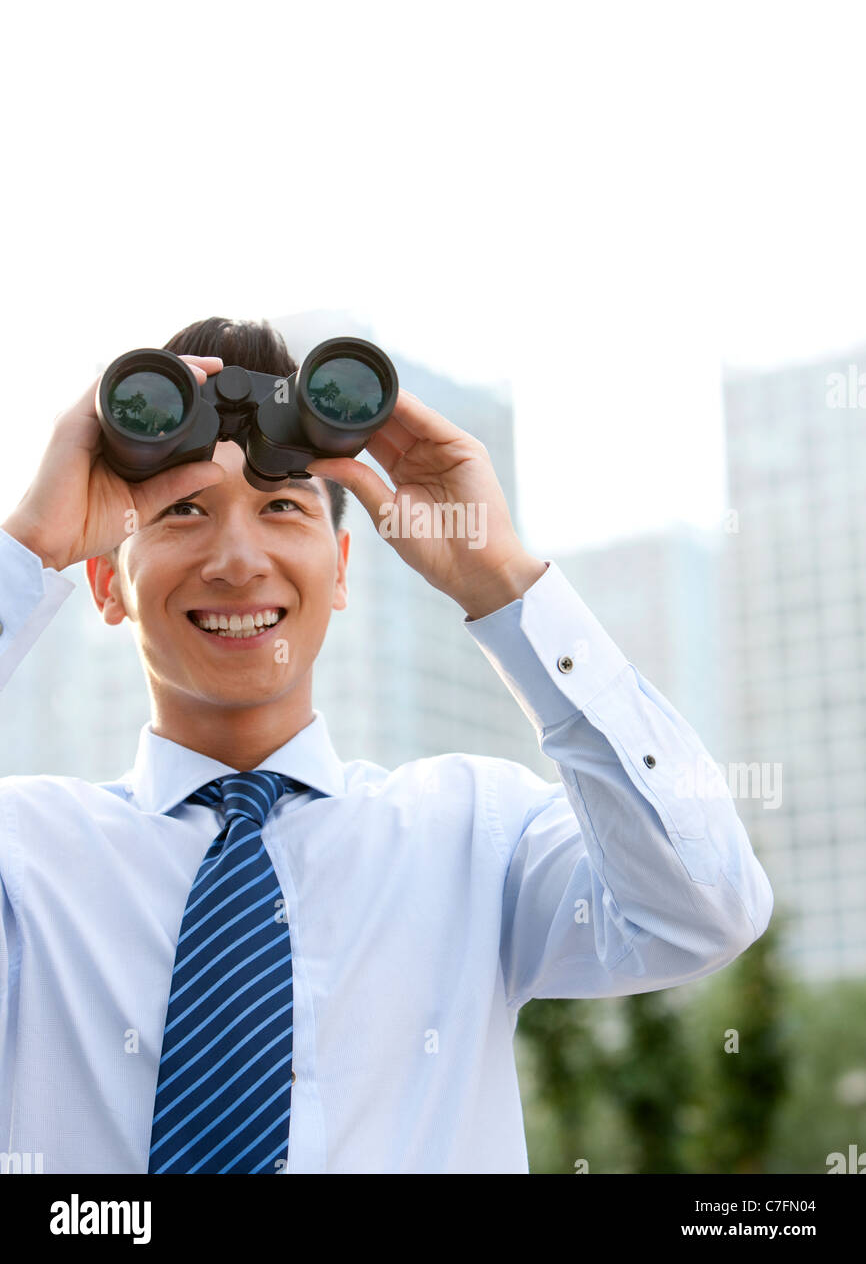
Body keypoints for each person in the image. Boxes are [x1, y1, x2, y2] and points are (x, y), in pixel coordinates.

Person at [0, 316, 773, 1175]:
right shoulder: (24, 859)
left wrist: (502, 581)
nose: (237, 558)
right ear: (106, 581)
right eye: (182, 510)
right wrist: (28, 549)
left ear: (340, 570)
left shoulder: (478, 834)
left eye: (281, 506)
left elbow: (707, 909)